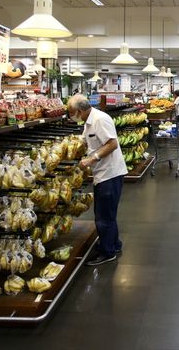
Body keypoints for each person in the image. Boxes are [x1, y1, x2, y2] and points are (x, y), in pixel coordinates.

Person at [68, 94, 126, 266]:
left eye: (72, 112)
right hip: (104, 173)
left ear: (79, 111)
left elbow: (112, 144)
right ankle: (114, 244)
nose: (71, 116)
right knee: (108, 214)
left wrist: (92, 158)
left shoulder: (100, 119)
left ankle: (107, 252)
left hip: (109, 173)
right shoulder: (88, 122)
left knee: (102, 216)